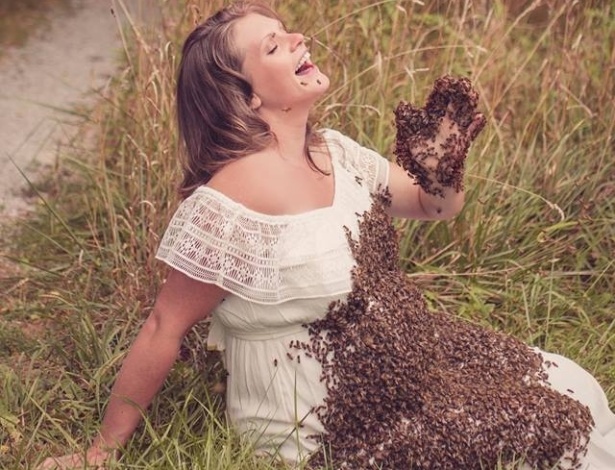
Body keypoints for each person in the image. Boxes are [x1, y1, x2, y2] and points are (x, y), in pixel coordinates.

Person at [38, 1, 615, 469]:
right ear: (244, 94)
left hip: (400, 364)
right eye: (273, 44)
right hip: (320, 417)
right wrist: (101, 452)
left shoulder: (334, 151)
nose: (297, 39)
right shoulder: (230, 201)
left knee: (576, 384)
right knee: (559, 421)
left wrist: (440, 160)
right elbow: (165, 326)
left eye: (288, 31)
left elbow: (434, 208)